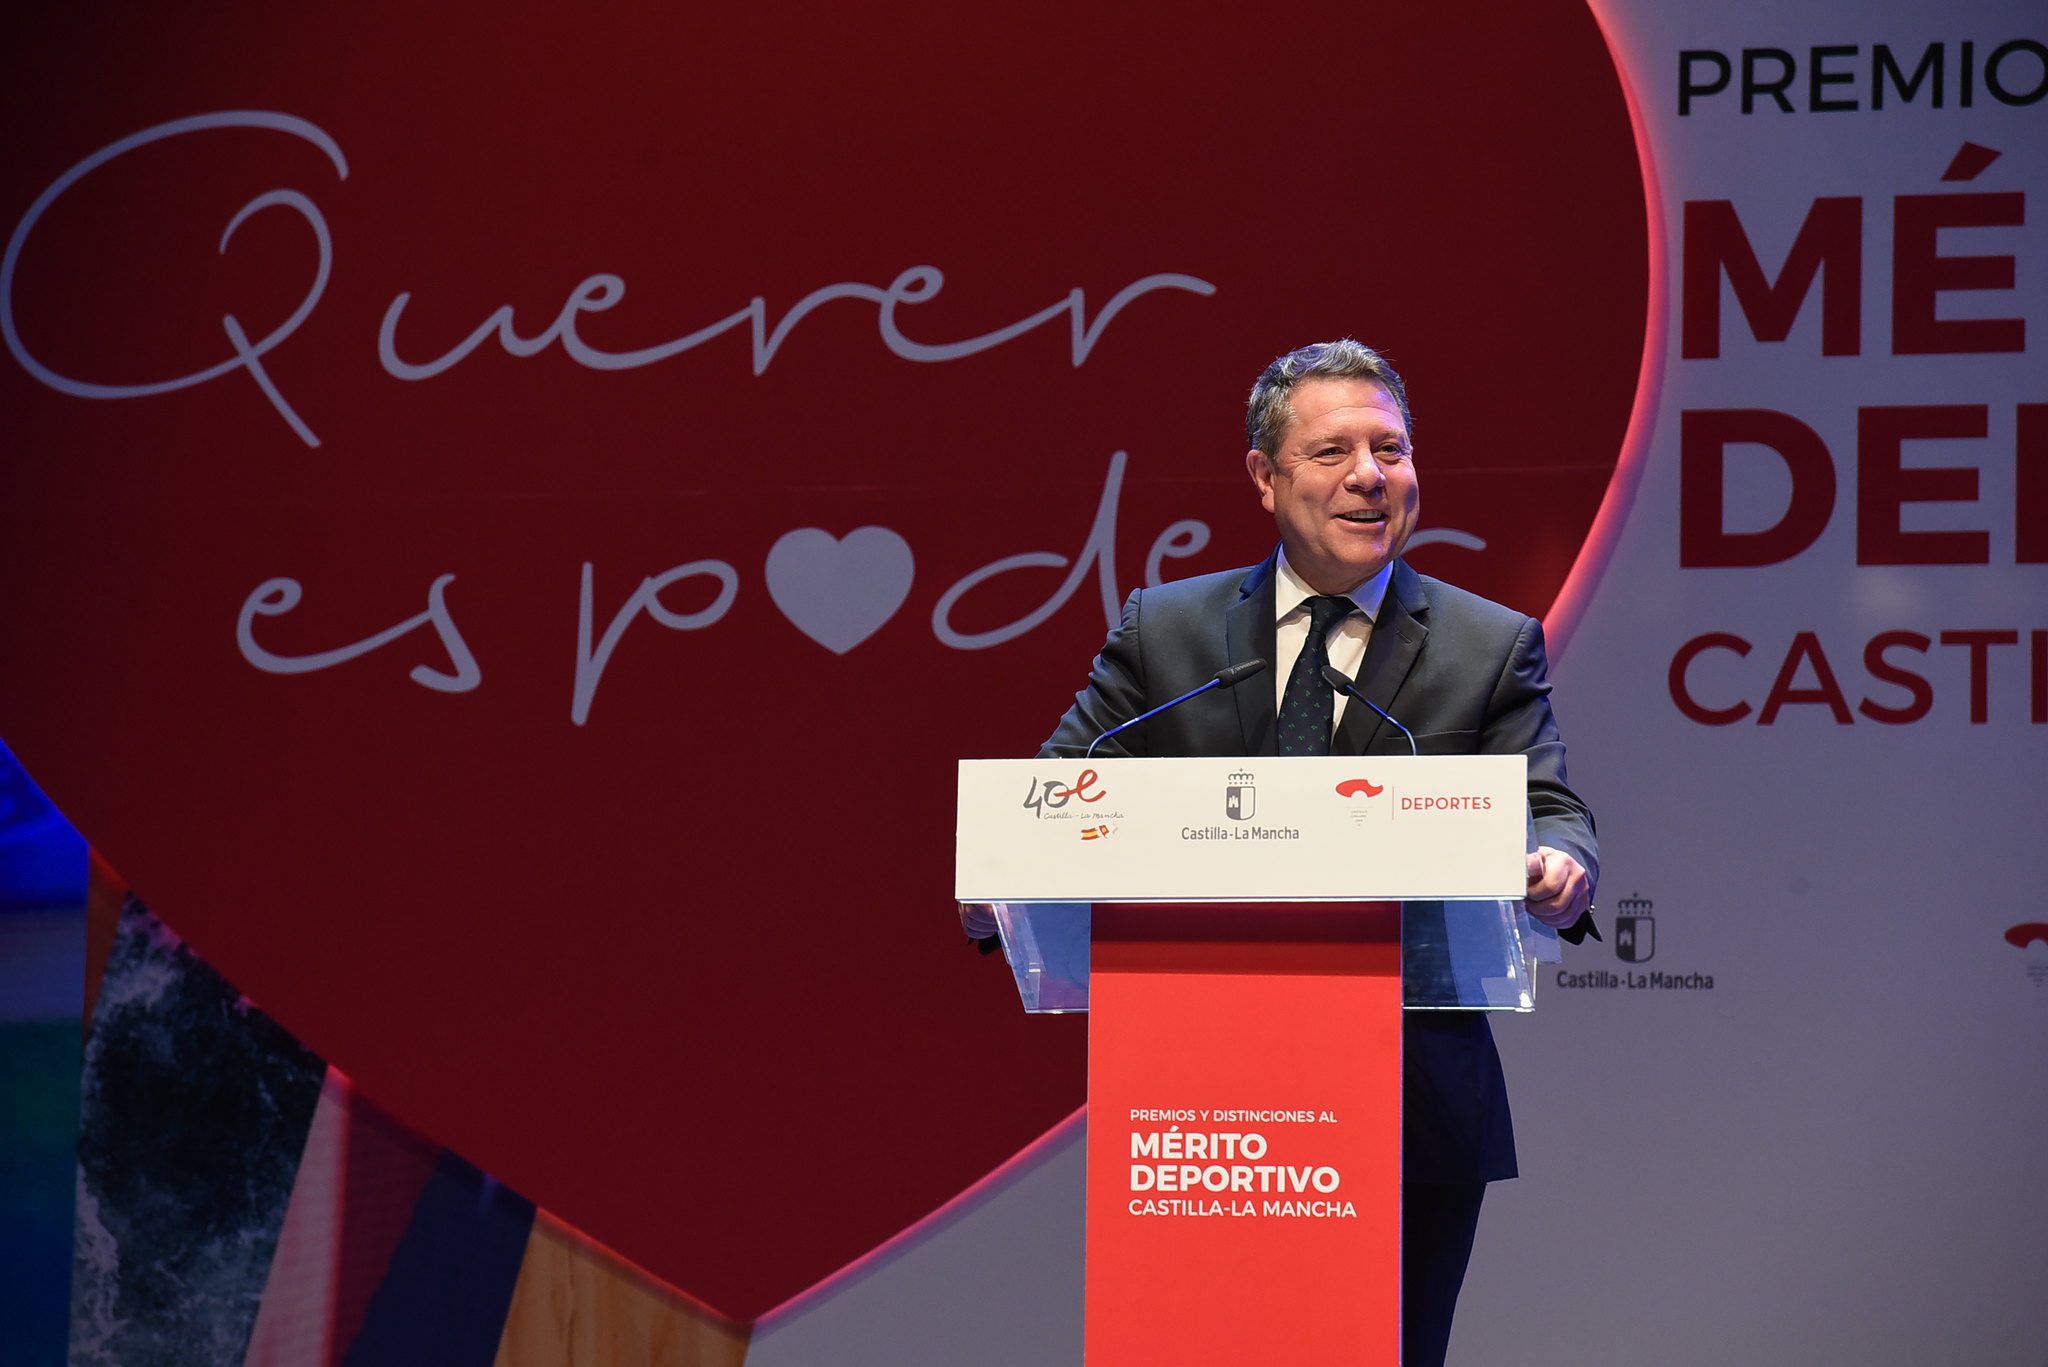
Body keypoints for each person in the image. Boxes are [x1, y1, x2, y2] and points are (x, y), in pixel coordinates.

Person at [966, 339, 1598, 1367]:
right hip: (1205, 1114)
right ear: (1264, 476)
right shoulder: (1168, 631)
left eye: (1390, 449)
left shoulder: (1488, 643)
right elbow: (1053, 795)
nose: (1370, 475)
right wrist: (999, 877)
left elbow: (1550, 807)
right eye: (1333, 451)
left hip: (1412, 1108)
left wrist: (1559, 863)